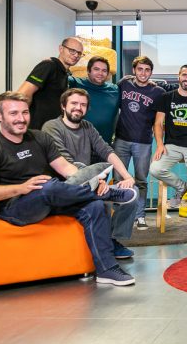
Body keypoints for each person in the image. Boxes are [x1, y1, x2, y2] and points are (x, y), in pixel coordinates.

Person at [0, 91, 137, 286]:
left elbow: (67, 169)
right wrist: (21, 188)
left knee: (94, 207)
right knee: (47, 186)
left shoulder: (40, 138)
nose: (21, 119)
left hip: (48, 198)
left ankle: (107, 269)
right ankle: (107, 194)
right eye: (13, 113)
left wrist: (92, 181)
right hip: (15, 208)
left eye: (25, 113)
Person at [42, 88, 138, 259]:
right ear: (63, 106)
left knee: (133, 192)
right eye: (74, 103)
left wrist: (127, 176)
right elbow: (66, 163)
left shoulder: (88, 127)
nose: (78, 108)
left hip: (90, 182)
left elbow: (107, 151)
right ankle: (100, 195)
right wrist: (96, 182)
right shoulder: (51, 127)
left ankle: (113, 240)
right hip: (65, 186)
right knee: (101, 202)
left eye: (83, 105)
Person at [149, 65, 187, 225]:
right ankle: (182, 186)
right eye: (184, 75)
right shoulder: (166, 98)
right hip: (172, 146)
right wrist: (160, 144)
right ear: (179, 76)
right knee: (155, 168)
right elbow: (158, 123)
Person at [113, 56, 166, 230]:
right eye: (140, 69)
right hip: (121, 139)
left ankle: (140, 216)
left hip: (143, 142)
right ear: (134, 70)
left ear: (151, 72)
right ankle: (119, 215)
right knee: (118, 178)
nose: (143, 73)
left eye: (147, 70)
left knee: (141, 180)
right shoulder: (124, 84)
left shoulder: (158, 92)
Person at [17, 37, 83, 129]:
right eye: (72, 51)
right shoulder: (49, 65)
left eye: (79, 53)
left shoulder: (65, 74)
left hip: (52, 130)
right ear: (61, 49)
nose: (76, 55)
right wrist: (21, 124)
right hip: (36, 130)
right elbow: (24, 93)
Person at [68, 56, 119, 144]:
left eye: (104, 70)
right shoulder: (75, 83)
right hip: (78, 144)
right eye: (96, 69)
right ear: (88, 71)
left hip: (105, 145)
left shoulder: (115, 90)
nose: (100, 73)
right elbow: (58, 75)